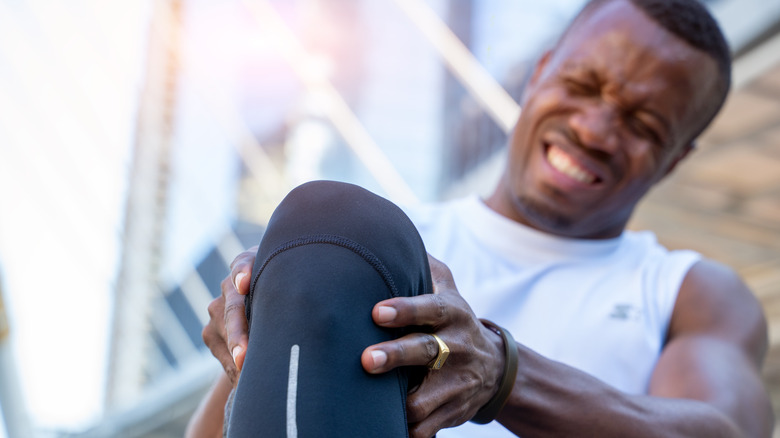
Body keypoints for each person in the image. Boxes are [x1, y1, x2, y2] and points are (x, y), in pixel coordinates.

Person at [190, 0, 775, 436]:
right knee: (321, 220)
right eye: (582, 85)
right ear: (540, 71)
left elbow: (726, 431)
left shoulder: (688, 292)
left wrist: (504, 374)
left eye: (643, 125)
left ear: (676, 160)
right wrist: (267, 312)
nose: (595, 130)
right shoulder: (375, 246)